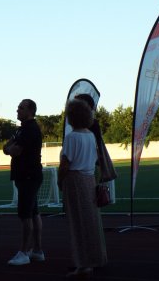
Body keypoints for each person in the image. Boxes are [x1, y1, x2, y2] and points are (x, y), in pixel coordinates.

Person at [58, 99, 107, 278]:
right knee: (91, 221)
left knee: (77, 223)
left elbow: (65, 164)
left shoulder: (72, 137)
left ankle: (83, 264)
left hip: (75, 181)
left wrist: (60, 181)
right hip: (89, 179)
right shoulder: (90, 135)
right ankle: (96, 259)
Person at [3, 99, 45, 266]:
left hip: (28, 176)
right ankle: (37, 250)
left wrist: (10, 149)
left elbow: (14, 150)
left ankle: (24, 251)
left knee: (26, 214)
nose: (17, 110)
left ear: (30, 111)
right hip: (27, 176)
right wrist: (10, 149)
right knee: (33, 212)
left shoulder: (30, 130)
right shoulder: (21, 130)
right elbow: (7, 148)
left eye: (21, 107)